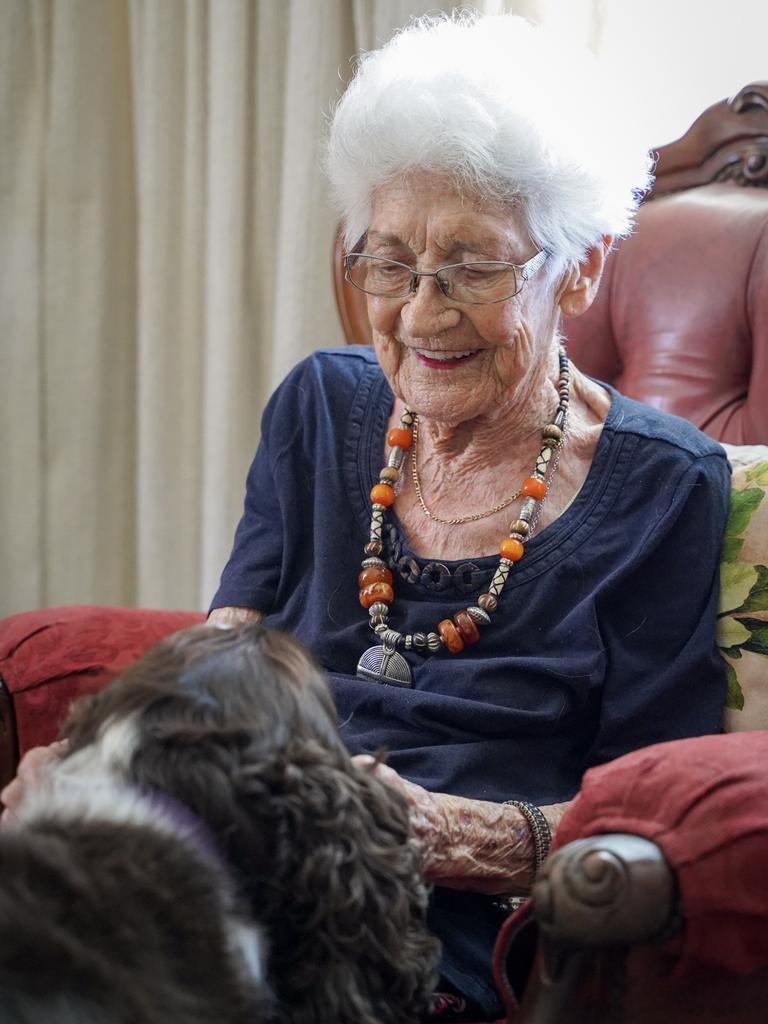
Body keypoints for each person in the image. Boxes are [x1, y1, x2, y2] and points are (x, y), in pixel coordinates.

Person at [2, 12, 730, 1021]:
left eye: (473, 267)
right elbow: (228, 653)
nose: (421, 313)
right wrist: (92, 764)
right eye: (387, 262)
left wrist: (457, 834)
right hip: (239, 862)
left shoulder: (665, 486)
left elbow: (653, 808)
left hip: (445, 931)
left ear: (584, 265)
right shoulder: (321, 405)